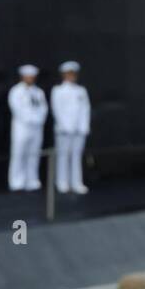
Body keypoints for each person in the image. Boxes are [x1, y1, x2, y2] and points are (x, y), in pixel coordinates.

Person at [51, 60, 91, 195]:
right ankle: (62, 182)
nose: (71, 75)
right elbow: (57, 109)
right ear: (63, 75)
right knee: (63, 156)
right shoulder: (58, 90)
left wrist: (84, 127)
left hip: (78, 130)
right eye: (69, 73)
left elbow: (85, 109)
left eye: (73, 73)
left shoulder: (81, 90)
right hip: (64, 130)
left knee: (76, 156)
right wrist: (65, 126)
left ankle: (76, 182)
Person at [7, 63, 47, 191]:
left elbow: (43, 108)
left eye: (32, 76)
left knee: (34, 154)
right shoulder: (16, 91)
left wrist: (38, 120)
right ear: (23, 77)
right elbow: (17, 109)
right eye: (28, 76)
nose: (30, 78)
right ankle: (16, 181)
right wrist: (30, 119)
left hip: (36, 127)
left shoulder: (38, 92)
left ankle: (32, 180)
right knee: (19, 154)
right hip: (22, 127)